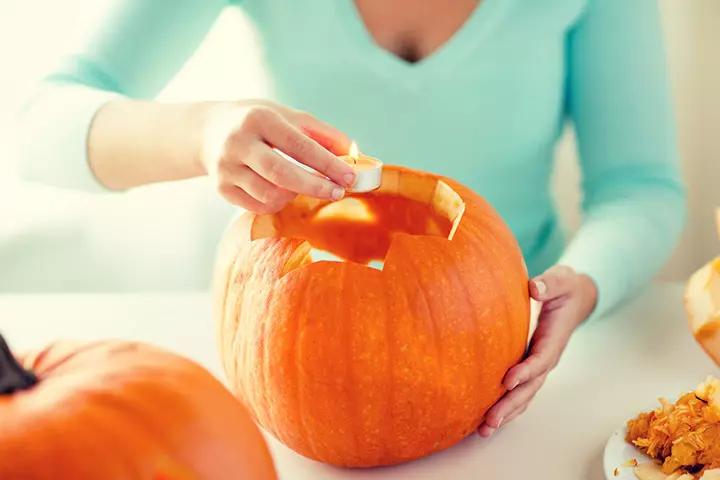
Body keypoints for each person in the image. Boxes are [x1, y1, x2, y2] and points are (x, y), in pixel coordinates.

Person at [13, 0, 686, 438]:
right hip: (287, 332)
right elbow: (37, 126)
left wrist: (587, 280)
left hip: (512, 341)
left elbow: (639, 188)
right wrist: (202, 131)